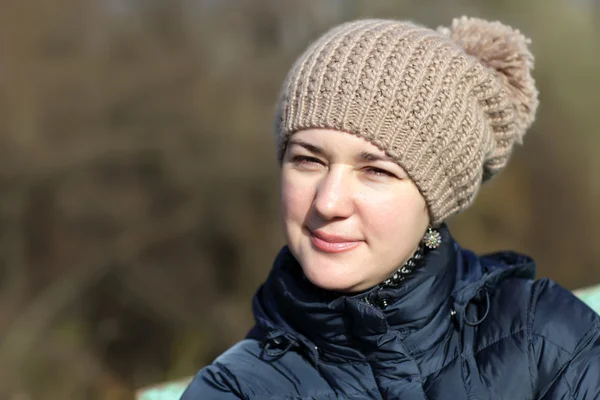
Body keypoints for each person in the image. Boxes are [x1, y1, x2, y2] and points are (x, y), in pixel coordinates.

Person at [182, 16, 600, 399]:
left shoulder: (546, 340)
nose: (328, 202)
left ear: (436, 198)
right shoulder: (233, 390)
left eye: (375, 171)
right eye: (308, 160)